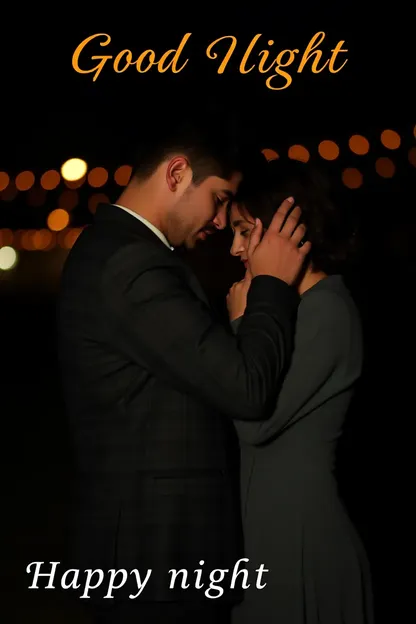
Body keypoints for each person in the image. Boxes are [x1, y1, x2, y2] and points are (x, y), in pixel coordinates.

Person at [56, 116, 311, 624]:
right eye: (219, 199)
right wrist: (271, 287)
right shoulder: (133, 263)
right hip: (156, 560)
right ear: (176, 174)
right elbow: (245, 388)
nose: (221, 222)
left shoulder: (119, 251)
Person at [226, 157, 374, 623]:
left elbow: (254, 419)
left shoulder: (326, 311)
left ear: (288, 229)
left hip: (302, 540)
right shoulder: (292, 309)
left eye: (245, 231)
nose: (234, 248)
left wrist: (240, 324)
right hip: (268, 536)